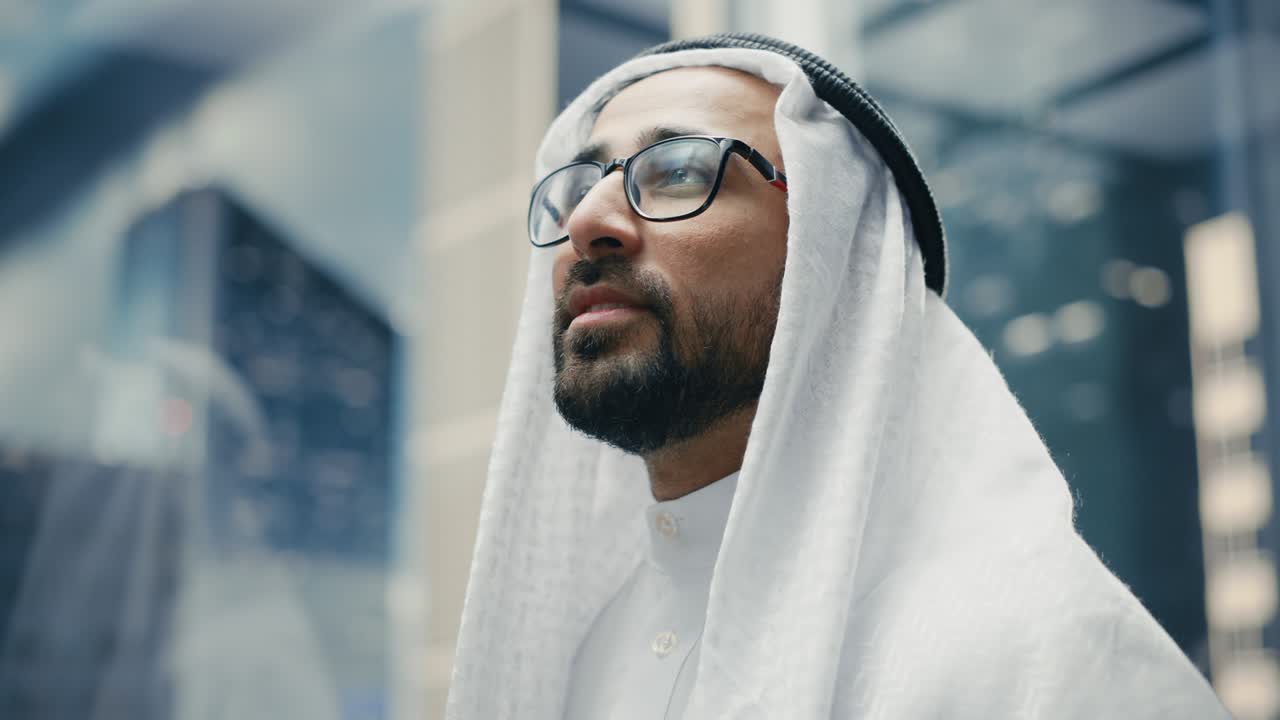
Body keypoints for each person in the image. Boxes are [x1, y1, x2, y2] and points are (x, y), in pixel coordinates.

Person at [445, 33, 1229, 719]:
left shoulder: (1038, 653)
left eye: (679, 171)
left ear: (836, 259)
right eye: (581, 187)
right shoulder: (592, 658)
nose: (587, 222)